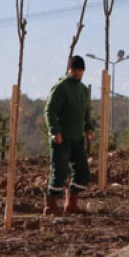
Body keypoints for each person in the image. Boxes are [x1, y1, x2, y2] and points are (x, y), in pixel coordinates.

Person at [44, 55, 96, 215]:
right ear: (69, 69)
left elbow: (85, 112)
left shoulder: (82, 90)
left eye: (81, 70)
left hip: (77, 137)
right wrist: (54, 131)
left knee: (82, 172)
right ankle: (50, 205)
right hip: (62, 137)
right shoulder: (61, 87)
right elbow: (50, 110)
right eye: (75, 70)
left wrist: (89, 127)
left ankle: (71, 203)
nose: (78, 73)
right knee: (59, 171)